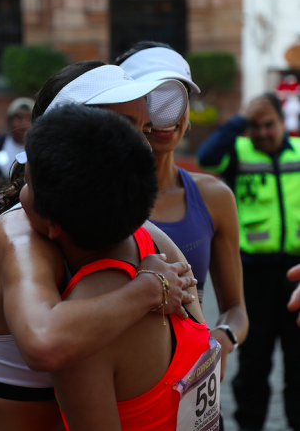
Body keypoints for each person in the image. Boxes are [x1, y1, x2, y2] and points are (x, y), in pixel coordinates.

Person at [0, 61, 198, 431]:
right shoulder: (20, 233)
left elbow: (202, 348)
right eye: (120, 130)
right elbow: (43, 341)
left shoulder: (139, 234)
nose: (142, 149)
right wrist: (149, 288)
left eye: (143, 130)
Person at [21, 104, 215, 431]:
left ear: (53, 222)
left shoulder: (83, 334)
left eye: (26, 184)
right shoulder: (157, 243)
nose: (20, 195)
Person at [116, 42, 248, 384]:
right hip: (128, 386)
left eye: (177, 96)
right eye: (150, 97)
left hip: (194, 385)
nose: (166, 114)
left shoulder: (215, 196)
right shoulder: (101, 197)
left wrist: (223, 339)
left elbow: (236, 310)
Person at [197, 93, 300, 431]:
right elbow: (207, 156)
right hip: (253, 274)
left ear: (283, 123)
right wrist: (240, 120)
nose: (262, 132)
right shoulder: (237, 153)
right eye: (254, 126)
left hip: (296, 274)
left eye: (269, 124)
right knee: (255, 360)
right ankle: (250, 425)